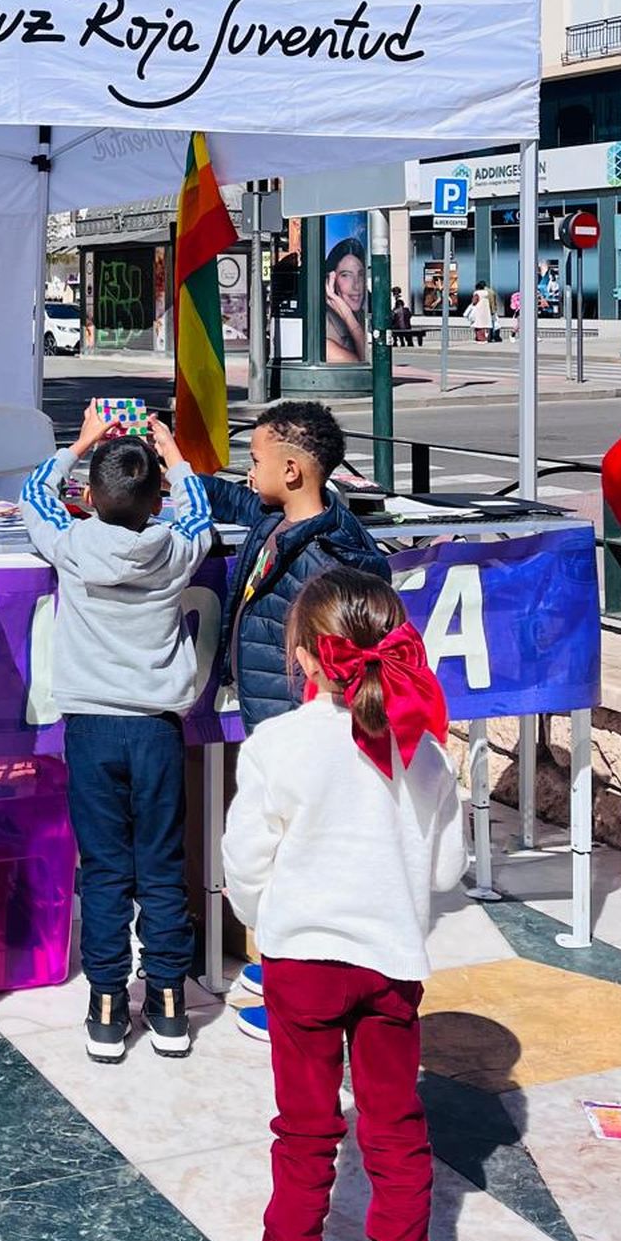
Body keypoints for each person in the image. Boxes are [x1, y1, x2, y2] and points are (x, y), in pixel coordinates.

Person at [219, 567, 464, 1241]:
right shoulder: (421, 749)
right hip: (391, 960)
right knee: (395, 1119)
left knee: (306, 1122)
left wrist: (274, 918)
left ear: (303, 653)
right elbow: (448, 867)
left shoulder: (276, 745)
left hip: (303, 964)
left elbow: (245, 867)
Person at [21, 405, 214, 1063]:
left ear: (89, 499)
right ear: (155, 497)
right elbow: (199, 513)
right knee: (162, 869)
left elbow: (31, 497)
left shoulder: (70, 544)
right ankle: (168, 1003)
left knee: (103, 870)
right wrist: (173, 453)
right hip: (158, 729)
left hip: (92, 730)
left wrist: (76, 442)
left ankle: (106, 1006)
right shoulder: (175, 547)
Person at [204, 401, 391, 1041]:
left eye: (254, 461)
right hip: (271, 711)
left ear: (291, 470)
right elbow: (232, 503)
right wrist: (172, 466)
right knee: (282, 848)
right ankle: (279, 965)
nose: (245, 472)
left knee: (298, 856)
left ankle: (298, 989)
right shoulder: (280, 518)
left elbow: (367, 611)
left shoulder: (336, 556)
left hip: (303, 718)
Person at [323, 237, 369, 365]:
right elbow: (361, 365)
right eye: (346, 275)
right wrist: (348, 316)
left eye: (360, 275)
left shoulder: (359, 315)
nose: (356, 285)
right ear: (330, 281)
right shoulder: (323, 325)